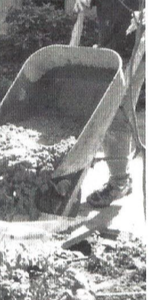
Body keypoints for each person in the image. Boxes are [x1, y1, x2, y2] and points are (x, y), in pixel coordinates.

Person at [74, 0, 145, 207]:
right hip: (110, 50)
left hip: (138, 49)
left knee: (116, 113)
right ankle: (121, 178)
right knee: (107, 111)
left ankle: (119, 183)